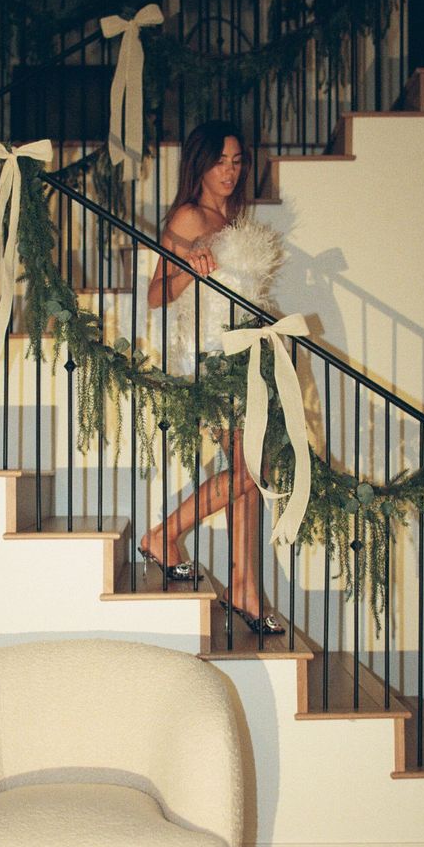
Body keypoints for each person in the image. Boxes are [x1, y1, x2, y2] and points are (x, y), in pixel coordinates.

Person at [139, 120, 284, 635]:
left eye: (237, 161)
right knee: (249, 470)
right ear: (200, 163)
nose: (229, 170)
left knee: (250, 469)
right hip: (207, 356)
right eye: (221, 160)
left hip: (244, 354)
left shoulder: (233, 216)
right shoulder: (188, 215)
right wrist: (187, 270)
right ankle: (163, 535)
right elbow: (156, 293)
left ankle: (244, 588)